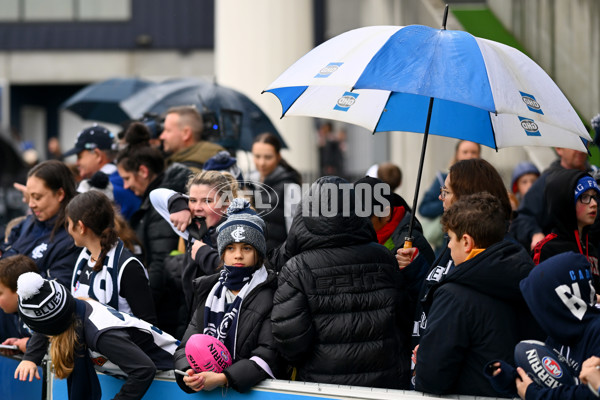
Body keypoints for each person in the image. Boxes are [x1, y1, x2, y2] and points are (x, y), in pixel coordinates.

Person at [271, 176, 412, 389]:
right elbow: (404, 319)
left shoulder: (297, 269)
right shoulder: (384, 258)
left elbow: (289, 339)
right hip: (385, 383)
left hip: (323, 385)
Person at [414, 192, 535, 396]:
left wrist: (424, 359)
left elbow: (432, 378)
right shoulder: (525, 280)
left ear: (467, 242)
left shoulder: (453, 295)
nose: (449, 245)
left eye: (451, 238)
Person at [14, 272, 179, 400]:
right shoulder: (74, 310)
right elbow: (47, 320)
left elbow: (144, 369)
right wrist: (31, 357)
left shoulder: (101, 335)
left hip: (178, 374)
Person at [173, 198, 279, 393]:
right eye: (231, 248)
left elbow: (268, 354)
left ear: (258, 254)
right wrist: (188, 373)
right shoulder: (209, 290)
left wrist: (224, 378)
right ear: (222, 253)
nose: (237, 255)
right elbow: (185, 347)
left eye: (246, 248)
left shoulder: (271, 294)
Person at [488, 252, 600, 399]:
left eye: (540, 307)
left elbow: (588, 395)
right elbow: (552, 383)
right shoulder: (559, 333)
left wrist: (534, 395)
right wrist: (511, 380)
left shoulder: (596, 332)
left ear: (557, 304)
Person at [117, 125, 191, 336]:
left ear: (143, 171)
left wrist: (141, 314)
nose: (125, 186)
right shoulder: (151, 204)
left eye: (127, 178)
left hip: (168, 312)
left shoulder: (160, 209)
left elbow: (161, 263)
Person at [150, 170, 238, 333]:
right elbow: (155, 195)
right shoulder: (193, 230)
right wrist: (178, 205)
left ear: (225, 206)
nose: (197, 208)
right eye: (192, 200)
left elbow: (237, 273)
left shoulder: (237, 231)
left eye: (207, 201)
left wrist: (203, 254)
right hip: (191, 322)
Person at [65, 190, 156, 323]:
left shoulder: (128, 266)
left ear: (80, 227)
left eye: (68, 223)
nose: (68, 230)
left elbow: (148, 324)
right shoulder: (83, 258)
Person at [0, 160, 79, 287]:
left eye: (37, 197)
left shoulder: (74, 238)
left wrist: (12, 276)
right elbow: (6, 248)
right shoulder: (29, 222)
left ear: (60, 194)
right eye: (29, 197)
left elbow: (56, 289)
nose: (31, 204)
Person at [354, 176, 434, 300]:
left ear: (386, 213)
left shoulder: (413, 243)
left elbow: (431, 294)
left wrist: (412, 270)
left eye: (365, 217)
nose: (356, 222)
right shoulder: (357, 239)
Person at [511, 146, 593, 250]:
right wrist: (535, 233)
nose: (580, 149)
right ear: (559, 149)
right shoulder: (547, 181)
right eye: (573, 145)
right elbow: (523, 218)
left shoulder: (594, 177)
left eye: (584, 143)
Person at [532, 170, 600, 289]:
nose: (594, 203)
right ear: (565, 202)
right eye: (584, 197)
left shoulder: (591, 248)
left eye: (594, 196)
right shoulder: (547, 249)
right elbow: (541, 296)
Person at [62, 124, 141, 220]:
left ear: (97, 155)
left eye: (79, 156)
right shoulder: (120, 179)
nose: (77, 162)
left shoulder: (108, 187)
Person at [418, 140, 481, 253]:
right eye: (465, 152)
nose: (469, 156)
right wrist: (450, 199)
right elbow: (424, 208)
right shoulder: (443, 178)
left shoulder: (483, 181)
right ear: (457, 154)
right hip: (446, 242)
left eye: (473, 152)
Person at [249, 132, 301, 251]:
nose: (262, 163)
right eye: (257, 156)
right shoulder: (250, 182)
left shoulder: (290, 186)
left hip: (277, 261)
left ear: (278, 157)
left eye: (268, 157)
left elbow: (294, 232)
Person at [159, 105, 225, 172]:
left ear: (186, 134)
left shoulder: (187, 174)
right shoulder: (211, 160)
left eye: (167, 130)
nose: (161, 136)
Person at [0, 255, 39, 350]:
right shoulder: (18, 314)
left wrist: (29, 344)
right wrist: (18, 344)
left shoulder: (41, 314)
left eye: (0, 293)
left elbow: (55, 345)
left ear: (20, 292)